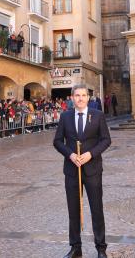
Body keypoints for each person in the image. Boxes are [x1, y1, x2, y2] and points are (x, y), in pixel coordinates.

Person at [53, 84, 111, 258]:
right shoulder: (65, 117)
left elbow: (106, 140)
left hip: (92, 170)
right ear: (71, 98)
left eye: (83, 95)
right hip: (72, 170)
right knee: (73, 211)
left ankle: (101, 248)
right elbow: (57, 141)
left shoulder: (98, 116)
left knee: (97, 210)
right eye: (76, 95)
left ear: (88, 98)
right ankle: (75, 248)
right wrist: (70, 154)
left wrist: (90, 154)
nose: (80, 98)